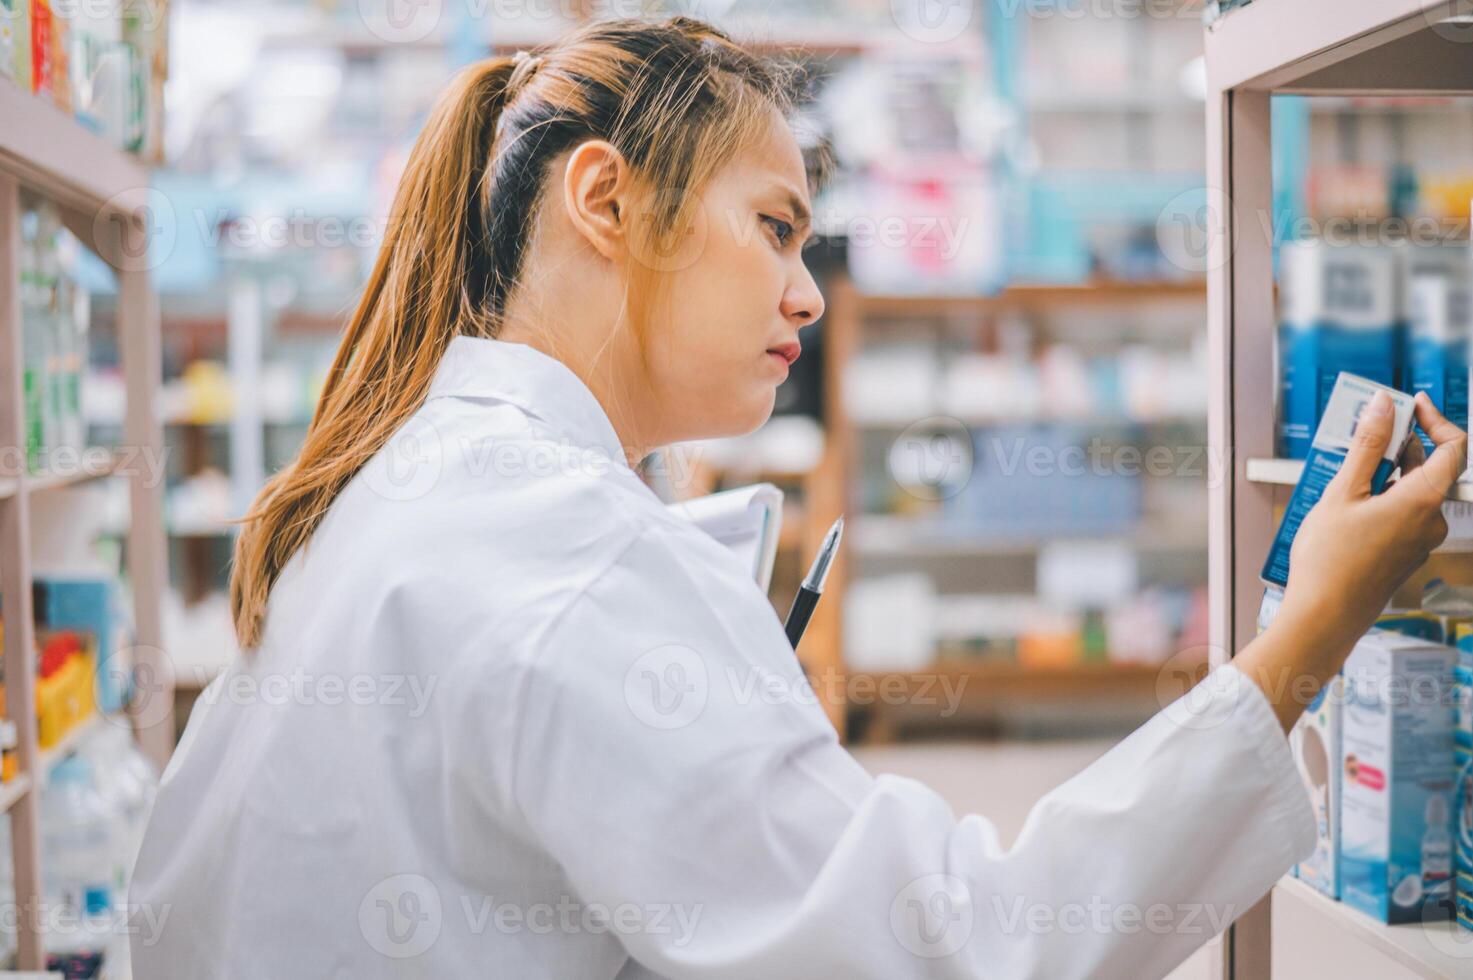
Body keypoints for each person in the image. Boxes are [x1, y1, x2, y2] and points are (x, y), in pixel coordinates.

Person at [129, 16, 1466, 979]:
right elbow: (965, 950)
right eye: (772, 227)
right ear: (605, 197)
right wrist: (1303, 641)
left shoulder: (410, 489)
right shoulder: (560, 552)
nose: (809, 292)